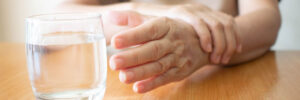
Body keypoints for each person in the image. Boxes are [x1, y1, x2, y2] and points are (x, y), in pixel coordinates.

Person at [57, 0, 281, 93]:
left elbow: (266, 17)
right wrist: (158, 13)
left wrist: (200, 46)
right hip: (123, 84)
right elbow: (64, 14)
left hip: (227, 82)